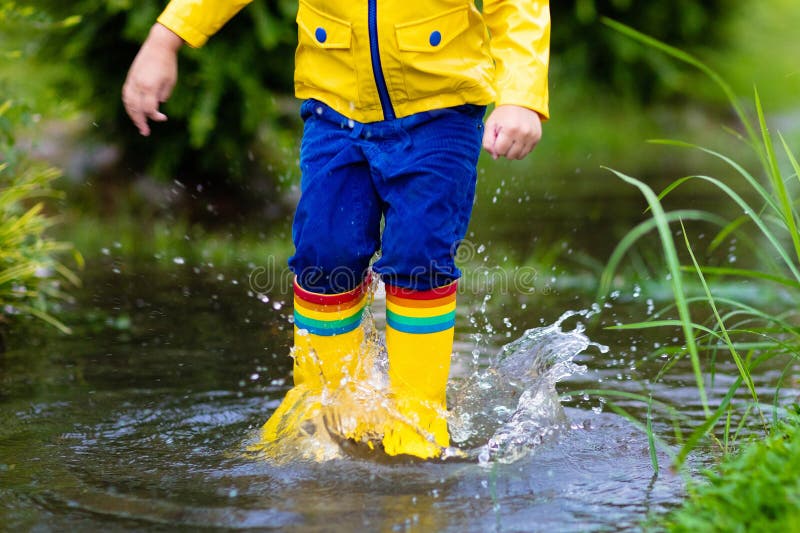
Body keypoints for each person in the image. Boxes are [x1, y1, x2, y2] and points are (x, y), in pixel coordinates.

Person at [122, 0, 550, 460]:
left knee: (418, 256)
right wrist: (164, 39)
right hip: (334, 113)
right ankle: (323, 409)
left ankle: (418, 416)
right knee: (324, 254)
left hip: (442, 112)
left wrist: (520, 96)